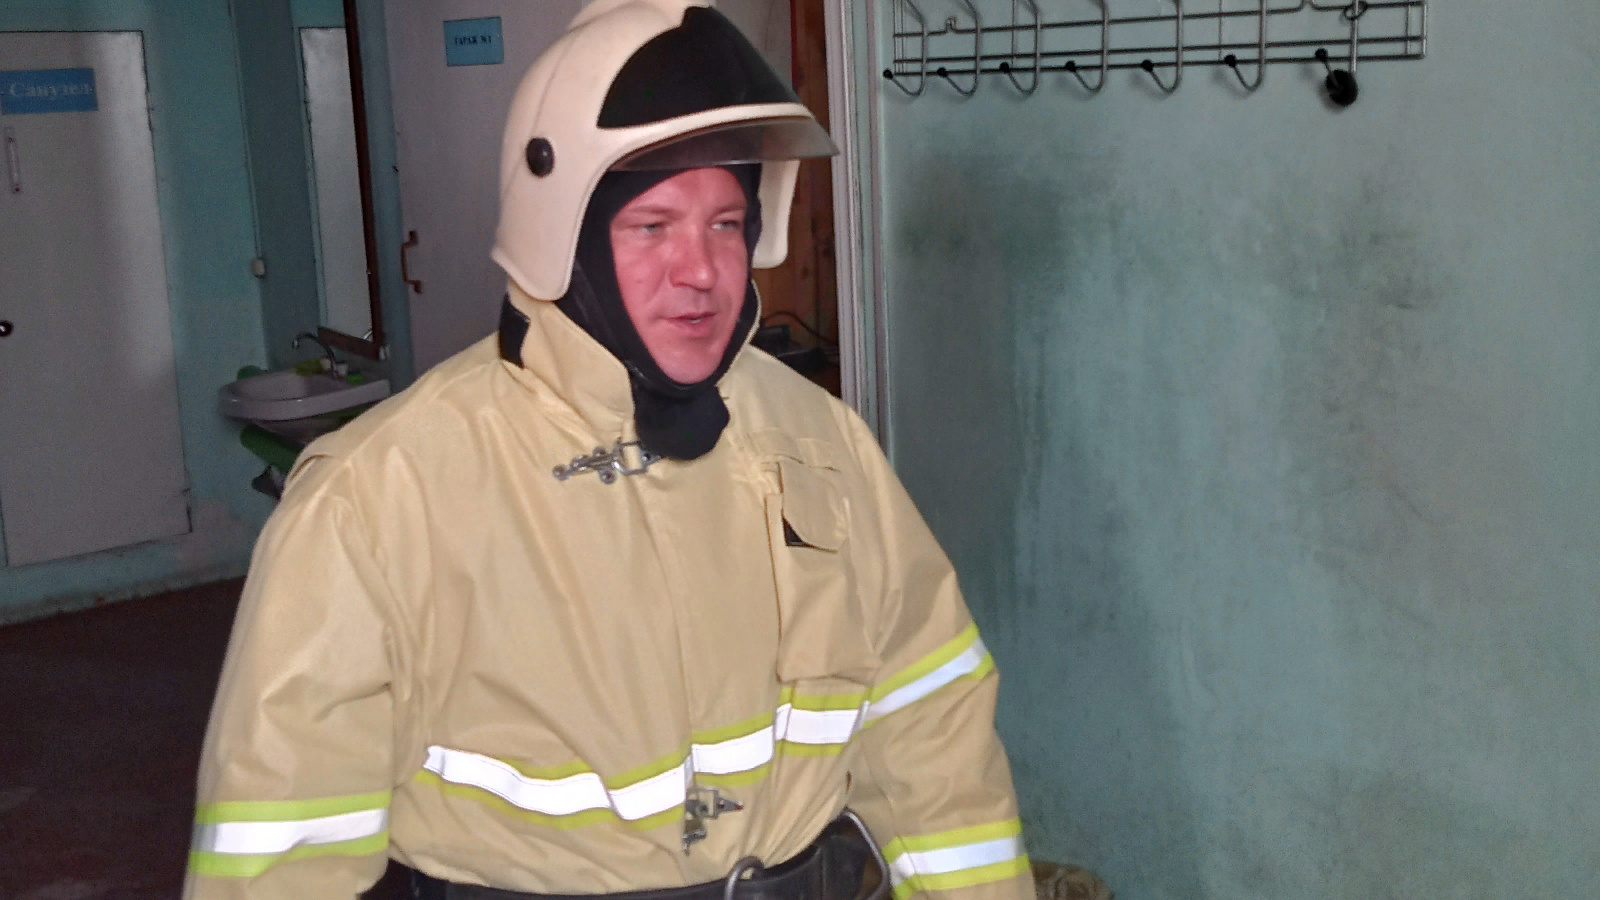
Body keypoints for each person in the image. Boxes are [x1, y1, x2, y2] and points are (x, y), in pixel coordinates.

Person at [184, 1, 1032, 898]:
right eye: (652, 225)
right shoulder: (378, 499)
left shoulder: (820, 442)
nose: (700, 271)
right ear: (565, 235)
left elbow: (932, 736)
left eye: (726, 223)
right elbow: (278, 858)